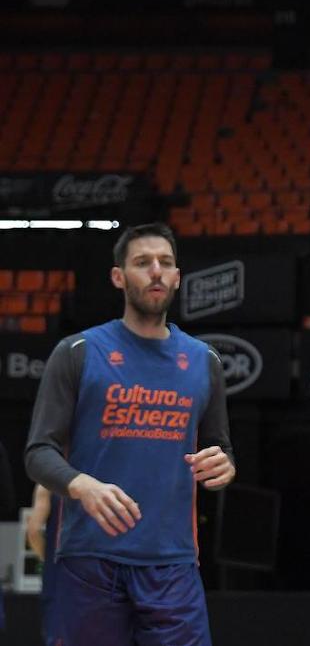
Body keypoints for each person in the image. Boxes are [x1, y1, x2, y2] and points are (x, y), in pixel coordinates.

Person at [24, 222, 235, 646]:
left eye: (166, 263)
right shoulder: (78, 352)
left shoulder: (203, 360)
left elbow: (221, 449)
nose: (155, 271)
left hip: (172, 563)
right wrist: (81, 485)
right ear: (119, 277)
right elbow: (37, 452)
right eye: (142, 263)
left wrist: (223, 465)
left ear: (177, 277)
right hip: (89, 562)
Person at [25, 485, 58, 641]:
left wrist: (50, 561)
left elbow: (34, 531)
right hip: (107, 570)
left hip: (61, 573)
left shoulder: (49, 480)